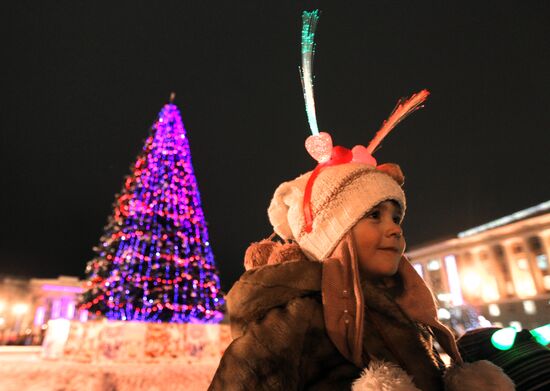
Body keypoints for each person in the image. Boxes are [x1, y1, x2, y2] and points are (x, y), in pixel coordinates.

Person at [208, 138, 516, 390]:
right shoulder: (292, 324)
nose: (395, 228)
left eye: (396, 218)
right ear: (333, 234)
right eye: (374, 216)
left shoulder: (402, 315)